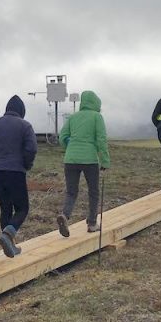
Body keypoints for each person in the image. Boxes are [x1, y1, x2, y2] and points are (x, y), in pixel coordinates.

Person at [0, 95, 38, 258]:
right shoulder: (25, 125)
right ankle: (8, 235)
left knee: (5, 208)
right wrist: (26, 164)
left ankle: (10, 245)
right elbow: (32, 149)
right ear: (22, 111)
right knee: (22, 208)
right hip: (15, 171)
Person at [56, 90, 110, 236]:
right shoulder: (97, 117)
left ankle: (65, 215)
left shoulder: (73, 117)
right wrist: (105, 161)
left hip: (70, 159)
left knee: (71, 191)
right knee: (93, 192)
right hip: (90, 160)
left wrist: (71, 147)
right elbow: (101, 140)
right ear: (96, 103)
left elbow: (62, 137)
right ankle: (92, 223)